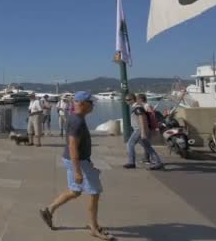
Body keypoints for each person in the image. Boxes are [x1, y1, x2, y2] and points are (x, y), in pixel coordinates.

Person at [40, 91, 113, 240]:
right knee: (94, 193)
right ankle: (93, 227)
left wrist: (87, 161)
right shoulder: (77, 121)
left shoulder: (77, 118)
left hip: (76, 160)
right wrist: (78, 171)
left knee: (75, 190)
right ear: (82, 104)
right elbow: (73, 146)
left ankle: (49, 210)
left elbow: (76, 146)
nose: (93, 105)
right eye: (90, 103)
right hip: (77, 161)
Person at [123, 93, 164, 171]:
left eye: (128, 100)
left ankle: (131, 162)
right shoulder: (137, 107)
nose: (126, 102)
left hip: (138, 130)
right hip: (140, 129)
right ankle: (158, 162)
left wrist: (143, 132)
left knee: (130, 144)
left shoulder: (138, 108)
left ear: (133, 100)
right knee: (147, 146)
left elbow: (142, 119)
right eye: (126, 100)